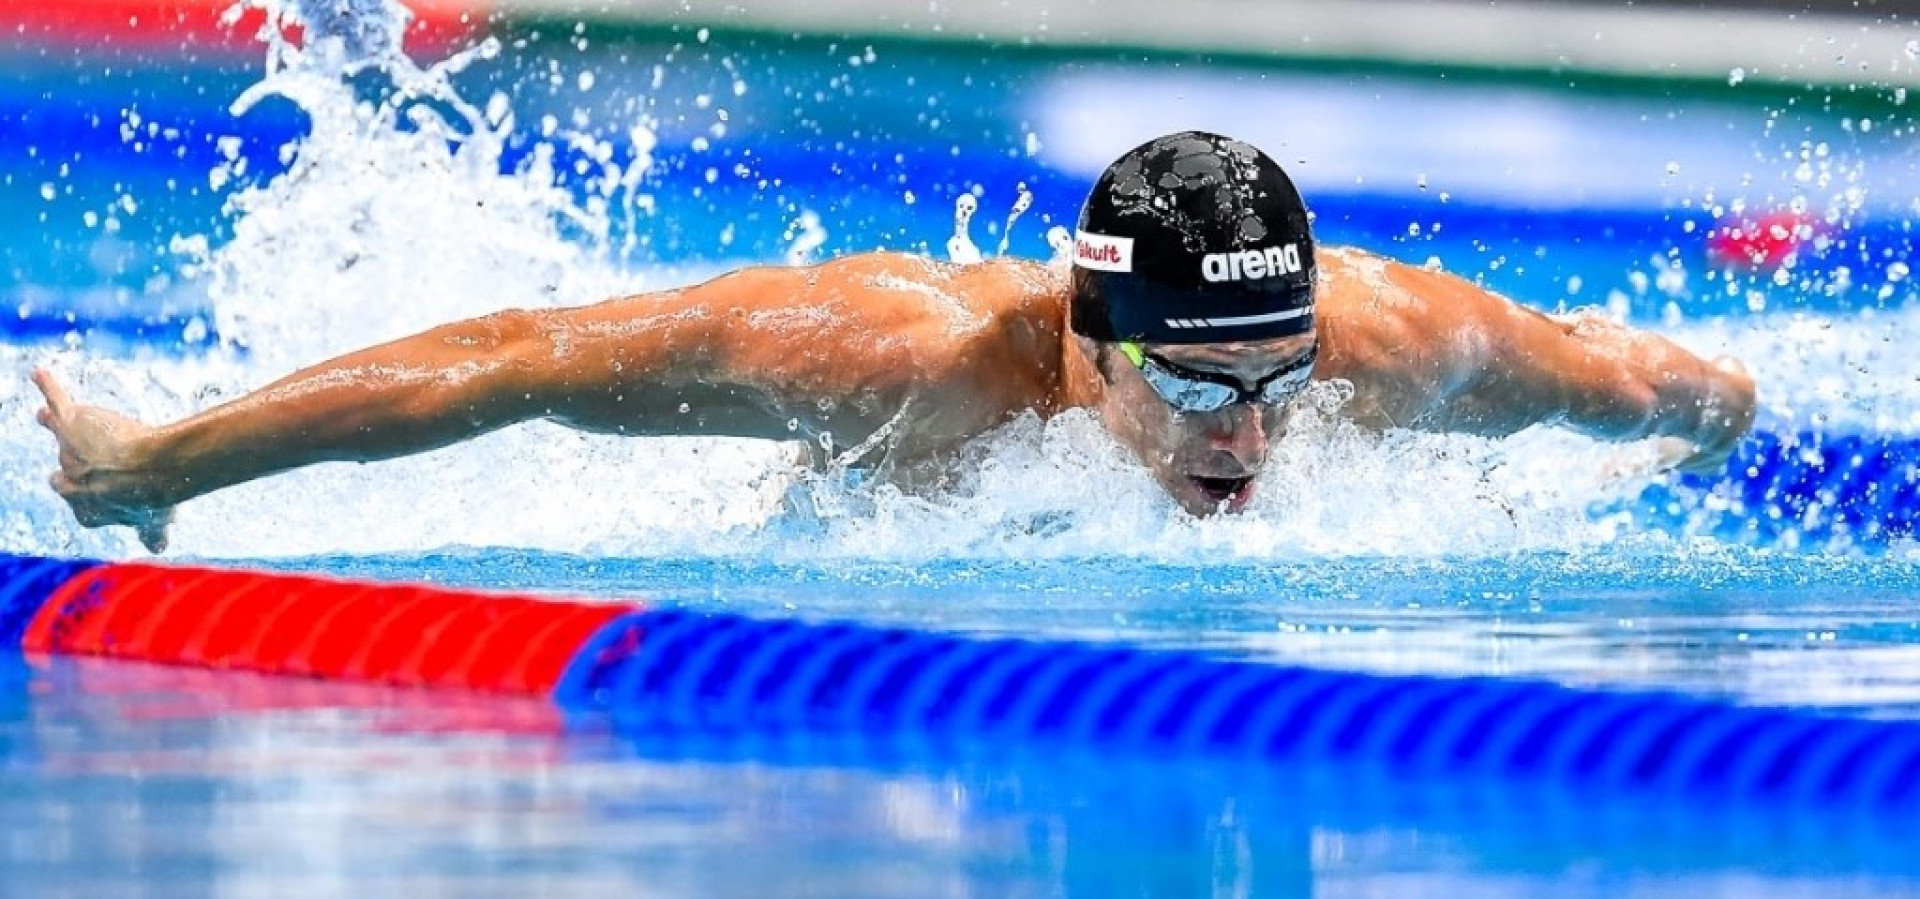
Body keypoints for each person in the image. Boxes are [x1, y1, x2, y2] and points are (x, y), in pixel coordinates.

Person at [34, 131, 1754, 553]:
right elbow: (511, 358)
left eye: (1273, 382)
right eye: (1191, 382)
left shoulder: (1391, 345)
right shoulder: (892, 360)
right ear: (1089, 340)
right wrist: (156, 458)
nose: (1246, 436)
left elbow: (1642, 385)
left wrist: (1724, 414)